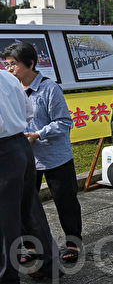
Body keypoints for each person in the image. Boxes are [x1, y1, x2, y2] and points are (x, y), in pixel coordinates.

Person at [1, 42, 82, 264]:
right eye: (7, 65)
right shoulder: (13, 87)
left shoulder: (49, 88)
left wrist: (38, 134)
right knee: (26, 206)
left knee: (65, 201)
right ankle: (30, 247)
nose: (9, 69)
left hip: (55, 156)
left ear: (31, 64)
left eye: (13, 64)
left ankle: (73, 243)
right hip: (28, 159)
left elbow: (64, 122)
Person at [0, 69, 62, 282]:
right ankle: (48, 264)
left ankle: (7, 277)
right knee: (29, 208)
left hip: (3, 150)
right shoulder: (7, 77)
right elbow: (28, 112)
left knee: (5, 220)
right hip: (19, 145)